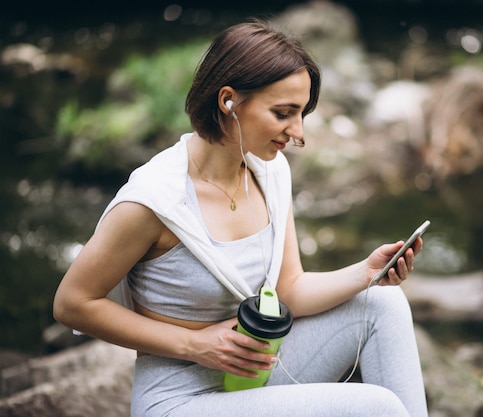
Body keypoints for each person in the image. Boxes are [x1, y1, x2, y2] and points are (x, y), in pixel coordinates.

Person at [53, 20, 429, 417]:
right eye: (283, 113)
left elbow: (288, 290)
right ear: (229, 100)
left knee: (383, 304)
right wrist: (195, 344)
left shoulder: (270, 173)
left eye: (301, 114)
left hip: (255, 372)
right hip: (181, 399)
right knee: (374, 407)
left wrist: (366, 272)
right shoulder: (153, 201)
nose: (298, 132)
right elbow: (72, 303)